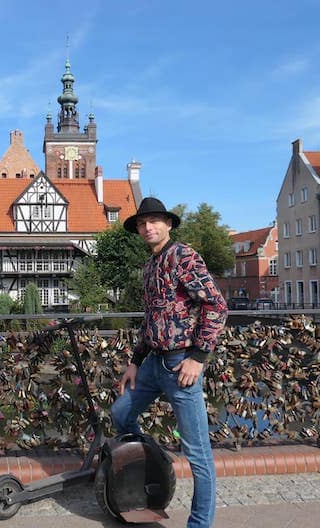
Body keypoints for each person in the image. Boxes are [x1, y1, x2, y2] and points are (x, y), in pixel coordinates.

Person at [111, 197, 227, 528]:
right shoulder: (149, 268)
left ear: (169, 224)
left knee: (198, 454)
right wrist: (135, 361)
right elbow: (152, 320)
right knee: (121, 413)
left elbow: (216, 307)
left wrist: (198, 357)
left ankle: (199, 524)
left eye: (155, 221)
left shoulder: (183, 257)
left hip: (181, 365)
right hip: (153, 364)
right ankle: (153, 464)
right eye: (142, 223)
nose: (148, 227)